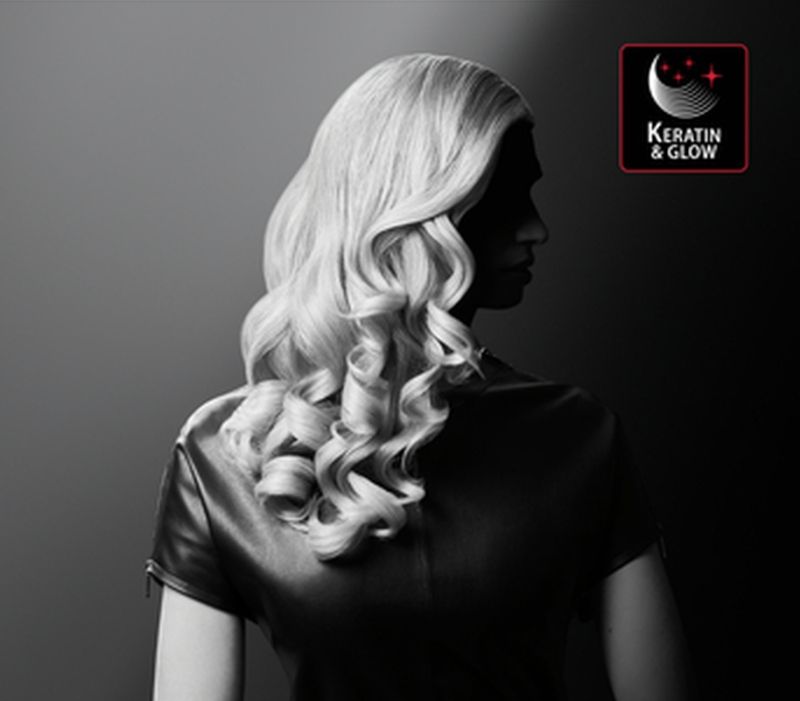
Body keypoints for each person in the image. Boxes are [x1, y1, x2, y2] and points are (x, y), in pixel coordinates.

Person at [145, 53, 697, 700]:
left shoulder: (580, 436)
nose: (538, 229)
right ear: (425, 209)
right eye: (507, 198)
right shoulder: (223, 456)